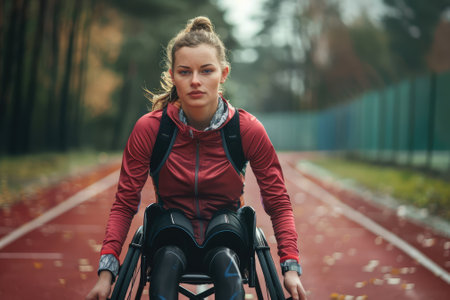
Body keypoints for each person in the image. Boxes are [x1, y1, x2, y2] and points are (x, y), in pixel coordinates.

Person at [86, 16, 307, 300]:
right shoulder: (151, 129)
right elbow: (125, 202)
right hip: (169, 236)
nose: (195, 81)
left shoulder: (246, 129)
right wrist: (107, 273)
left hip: (227, 236)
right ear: (172, 75)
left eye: (206, 71)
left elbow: (278, 201)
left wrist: (290, 267)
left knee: (226, 258)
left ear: (223, 73)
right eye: (184, 72)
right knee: (166, 259)